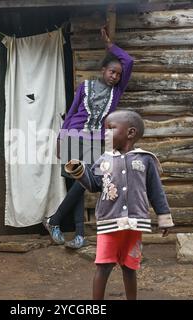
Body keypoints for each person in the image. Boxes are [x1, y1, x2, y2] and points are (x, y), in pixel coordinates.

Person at [64, 110, 174, 300]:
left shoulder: (146, 159)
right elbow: (94, 185)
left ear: (130, 133)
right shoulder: (103, 160)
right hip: (109, 222)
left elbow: (156, 191)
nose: (105, 134)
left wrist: (164, 218)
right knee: (103, 266)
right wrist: (80, 172)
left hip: (134, 223)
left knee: (130, 267)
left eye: (111, 129)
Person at [43, 27, 134, 249]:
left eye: (118, 74)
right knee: (78, 183)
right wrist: (59, 139)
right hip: (73, 136)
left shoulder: (117, 92)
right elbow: (72, 112)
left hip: (95, 141)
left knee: (83, 183)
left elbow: (129, 62)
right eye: (112, 72)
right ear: (103, 70)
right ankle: (79, 235)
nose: (115, 76)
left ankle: (54, 221)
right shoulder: (85, 86)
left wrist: (110, 46)